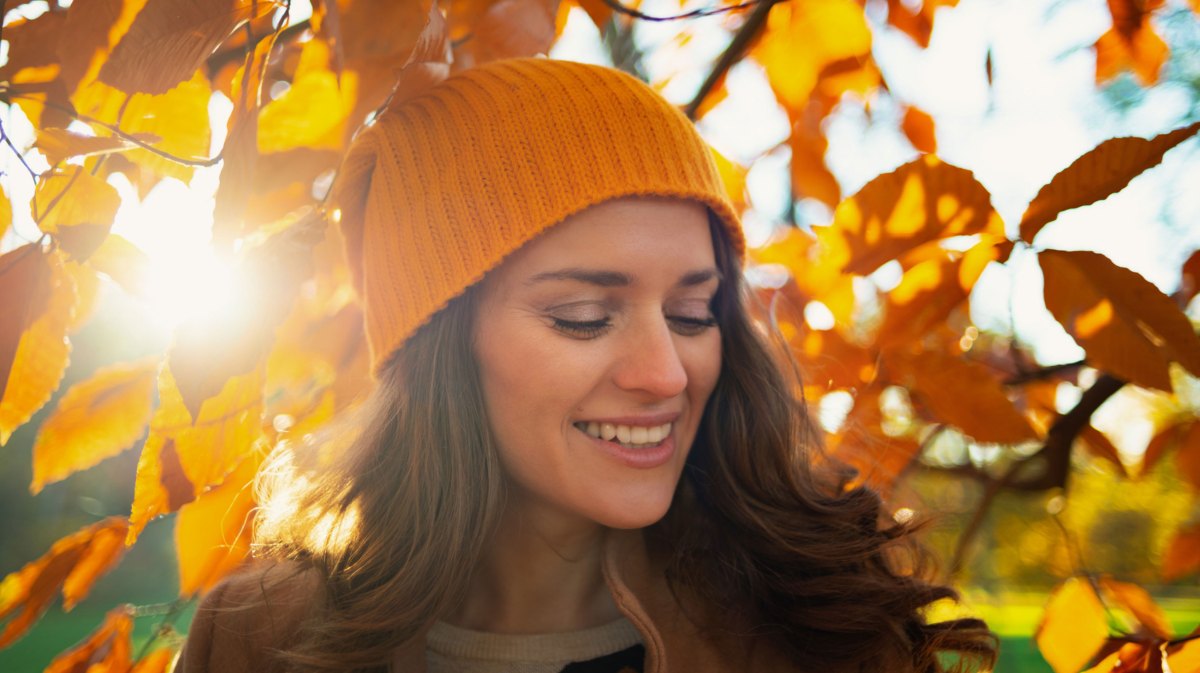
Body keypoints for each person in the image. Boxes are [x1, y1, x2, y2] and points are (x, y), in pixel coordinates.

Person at [178, 57, 996, 673]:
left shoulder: (821, 628)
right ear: (437, 346)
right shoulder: (257, 638)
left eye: (691, 313)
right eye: (584, 317)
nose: (666, 373)